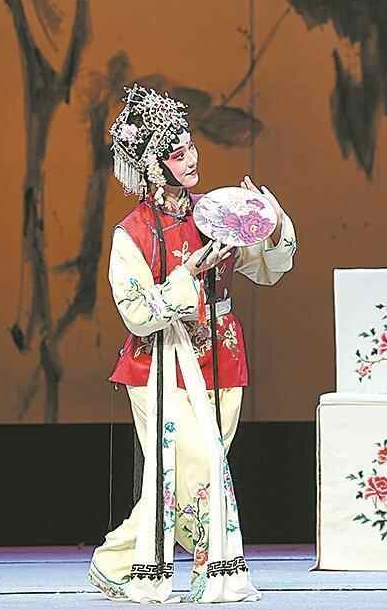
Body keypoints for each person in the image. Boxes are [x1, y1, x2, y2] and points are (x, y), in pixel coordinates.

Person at [88, 84, 297, 603]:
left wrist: (270, 227)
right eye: (177, 153)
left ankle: (116, 561)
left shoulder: (215, 213)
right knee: (199, 468)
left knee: (183, 474)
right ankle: (215, 571)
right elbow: (138, 313)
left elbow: (267, 268)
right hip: (160, 362)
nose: (192, 158)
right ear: (154, 166)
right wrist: (187, 277)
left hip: (220, 356)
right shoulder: (132, 233)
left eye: (191, 147)